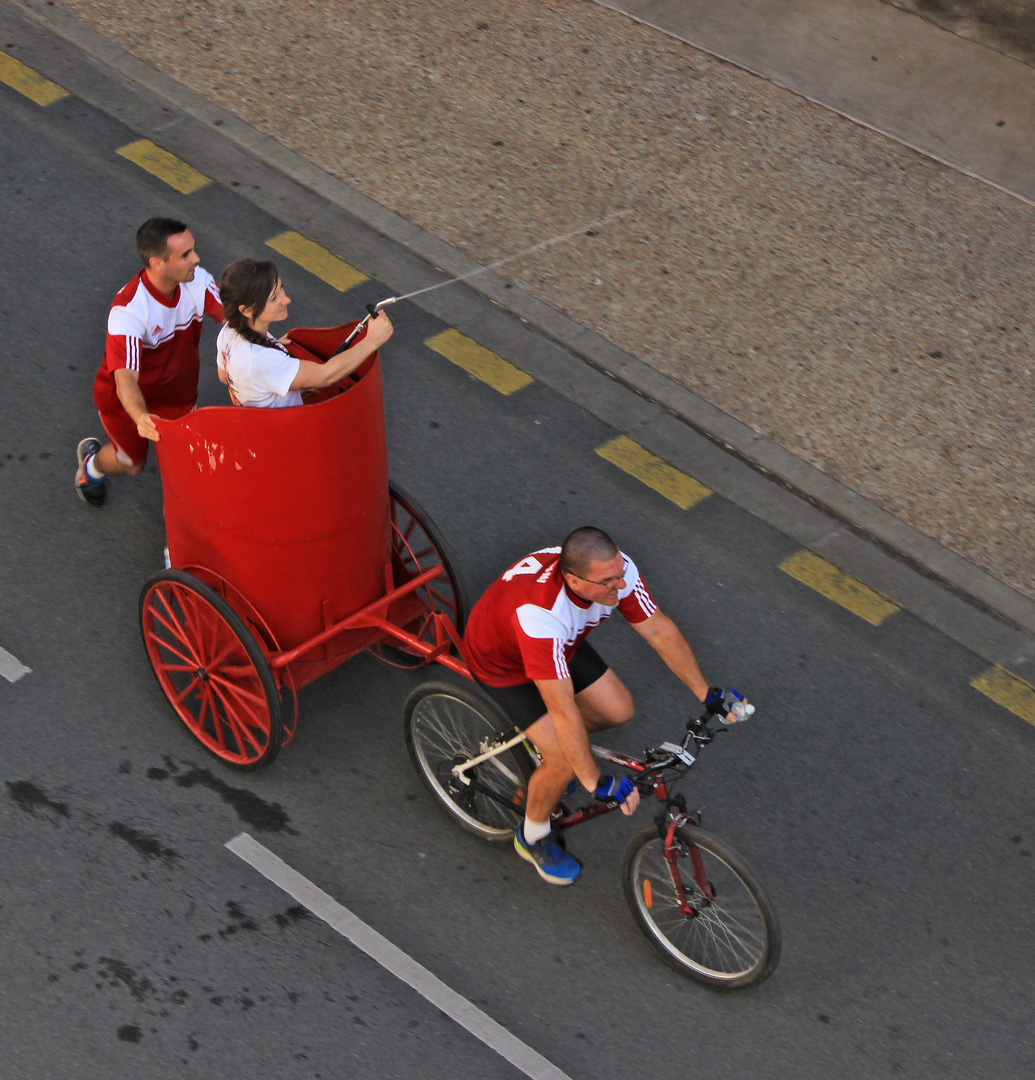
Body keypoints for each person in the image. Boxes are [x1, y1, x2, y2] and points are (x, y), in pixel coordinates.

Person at [463, 526, 746, 886]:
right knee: (565, 759)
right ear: (574, 581)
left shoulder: (615, 571)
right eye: (607, 582)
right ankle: (532, 836)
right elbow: (564, 709)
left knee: (618, 710)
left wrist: (708, 692)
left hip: (562, 646)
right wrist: (593, 779)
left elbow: (658, 630)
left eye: (619, 576)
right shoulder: (542, 616)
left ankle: (542, 748)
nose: (619, 586)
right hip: (505, 664)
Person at [75, 218, 225, 507]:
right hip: (126, 406)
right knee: (132, 464)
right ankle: (91, 468)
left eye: (193, 250)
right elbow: (125, 380)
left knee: (192, 461)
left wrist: (267, 341)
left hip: (178, 397)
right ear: (157, 263)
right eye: (185, 255)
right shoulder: (129, 312)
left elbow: (233, 318)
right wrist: (141, 417)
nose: (197, 259)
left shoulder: (199, 280)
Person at [215, 258, 393, 407]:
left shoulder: (228, 332)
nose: (286, 299)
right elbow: (326, 375)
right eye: (274, 298)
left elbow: (225, 377)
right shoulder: (263, 360)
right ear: (247, 311)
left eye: (281, 288)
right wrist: (372, 341)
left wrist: (276, 357)